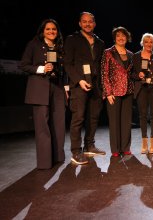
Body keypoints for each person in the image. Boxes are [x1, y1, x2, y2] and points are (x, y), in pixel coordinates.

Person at [19, 19, 66, 169]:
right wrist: (41, 69)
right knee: (42, 126)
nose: (51, 32)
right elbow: (24, 65)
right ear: (42, 31)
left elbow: (63, 70)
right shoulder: (33, 45)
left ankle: (58, 157)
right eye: (48, 29)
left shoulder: (59, 47)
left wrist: (65, 86)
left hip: (57, 88)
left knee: (59, 123)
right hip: (39, 88)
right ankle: (45, 163)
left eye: (54, 29)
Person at [64, 12, 106, 165]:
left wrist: (102, 88)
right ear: (80, 23)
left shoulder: (100, 42)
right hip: (79, 85)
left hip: (95, 85)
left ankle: (89, 146)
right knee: (78, 118)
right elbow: (67, 64)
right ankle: (76, 151)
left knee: (93, 117)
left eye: (90, 22)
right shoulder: (72, 40)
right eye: (84, 22)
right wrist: (79, 80)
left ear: (94, 24)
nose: (88, 24)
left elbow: (101, 66)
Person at [101, 27, 134, 157]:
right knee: (114, 122)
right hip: (113, 92)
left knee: (126, 121)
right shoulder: (108, 52)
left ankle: (126, 147)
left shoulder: (131, 54)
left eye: (123, 36)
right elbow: (104, 74)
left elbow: (131, 73)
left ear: (127, 38)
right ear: (115, 38)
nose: (121, 38)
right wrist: (108, 93)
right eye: (118, 36)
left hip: (128, 91)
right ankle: (115, 149)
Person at [133, 33, 153, 154]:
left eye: (151, 42)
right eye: (146, 42)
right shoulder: (136, 56)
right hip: (142, 88)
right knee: (143, 115)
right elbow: (131, 74)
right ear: (142, 43)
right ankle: (144, 143)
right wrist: (138, 75)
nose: (149, 44)